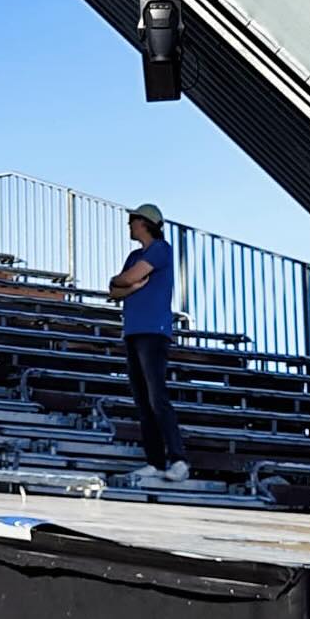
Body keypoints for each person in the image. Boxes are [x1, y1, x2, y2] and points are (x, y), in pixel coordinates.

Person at [108, 202, 189, 485]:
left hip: (153, 331)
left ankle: (178, 459)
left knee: (157, 397)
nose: (129, 225)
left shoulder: (160, 249)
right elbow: (114, 289)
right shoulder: (134, 255)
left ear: (144, 223)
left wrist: (126, 282)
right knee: (142, 400)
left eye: (132, 220)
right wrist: (127, 284)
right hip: (132, 330)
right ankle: (154, 462)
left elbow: (127, 278)